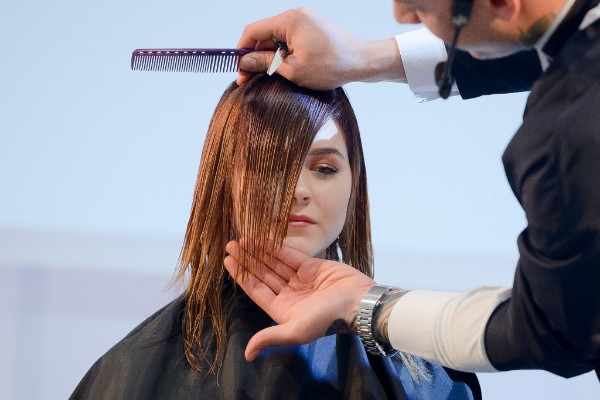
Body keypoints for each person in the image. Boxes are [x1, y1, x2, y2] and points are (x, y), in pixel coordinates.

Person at [223, 0, 600, 383]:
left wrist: (366, 305)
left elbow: (554, 328)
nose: (402, 16)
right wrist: (365, 57)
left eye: (419, 4)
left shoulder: (571, 138)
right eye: (266, 164)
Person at [69, 74, 480, 399]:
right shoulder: (128, 373)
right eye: (271, 167)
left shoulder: (428, 376)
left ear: (354, 185)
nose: (298, 190)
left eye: (324, 169)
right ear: (223, 183)